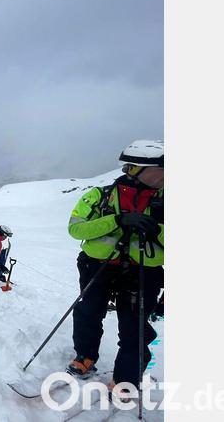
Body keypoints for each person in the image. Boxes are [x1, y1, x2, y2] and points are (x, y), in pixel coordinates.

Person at [65, 140, 164, 398]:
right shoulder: (100, 195)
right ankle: (85, 356)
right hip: (98, 265)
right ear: (136, 169)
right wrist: (117, 220)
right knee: (88, 312)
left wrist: (157, 229)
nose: (165, 175)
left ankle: (126, 379)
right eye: (160, 170)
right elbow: (76, 228)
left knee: (134, 326)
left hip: (143, 272)